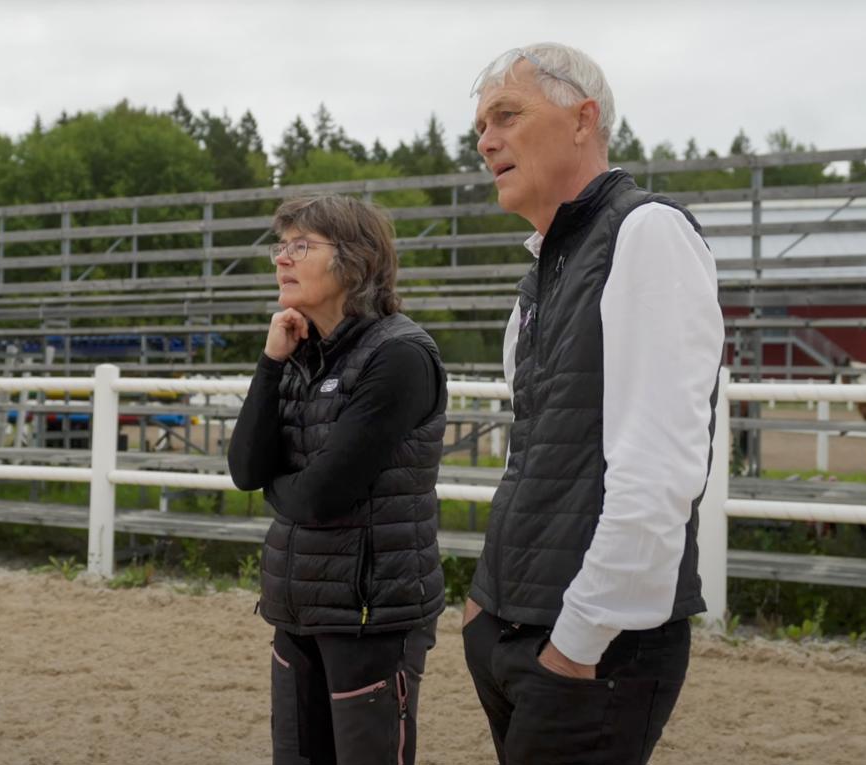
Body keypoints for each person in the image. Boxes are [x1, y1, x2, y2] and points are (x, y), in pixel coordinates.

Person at [461, 43, 725, 764]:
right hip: (514, 631)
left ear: (584, 120)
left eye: (506, 115)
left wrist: (577, 642)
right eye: (481, 125)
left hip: (593, 652)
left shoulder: (648, 234)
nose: (485, 140)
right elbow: (534, 457)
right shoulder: (540, 274)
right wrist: (483, 609)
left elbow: (659, 470)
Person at [227, 194, 447, 765]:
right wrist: (272, 361)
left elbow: (322, 495)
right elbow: (245, 470)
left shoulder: (399, 357)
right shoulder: (303, 352)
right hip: (297, 606)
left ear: (355, 259)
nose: (282, 259)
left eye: (301, 246)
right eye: (282, 246)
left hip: (370, 615)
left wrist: (282, 489)